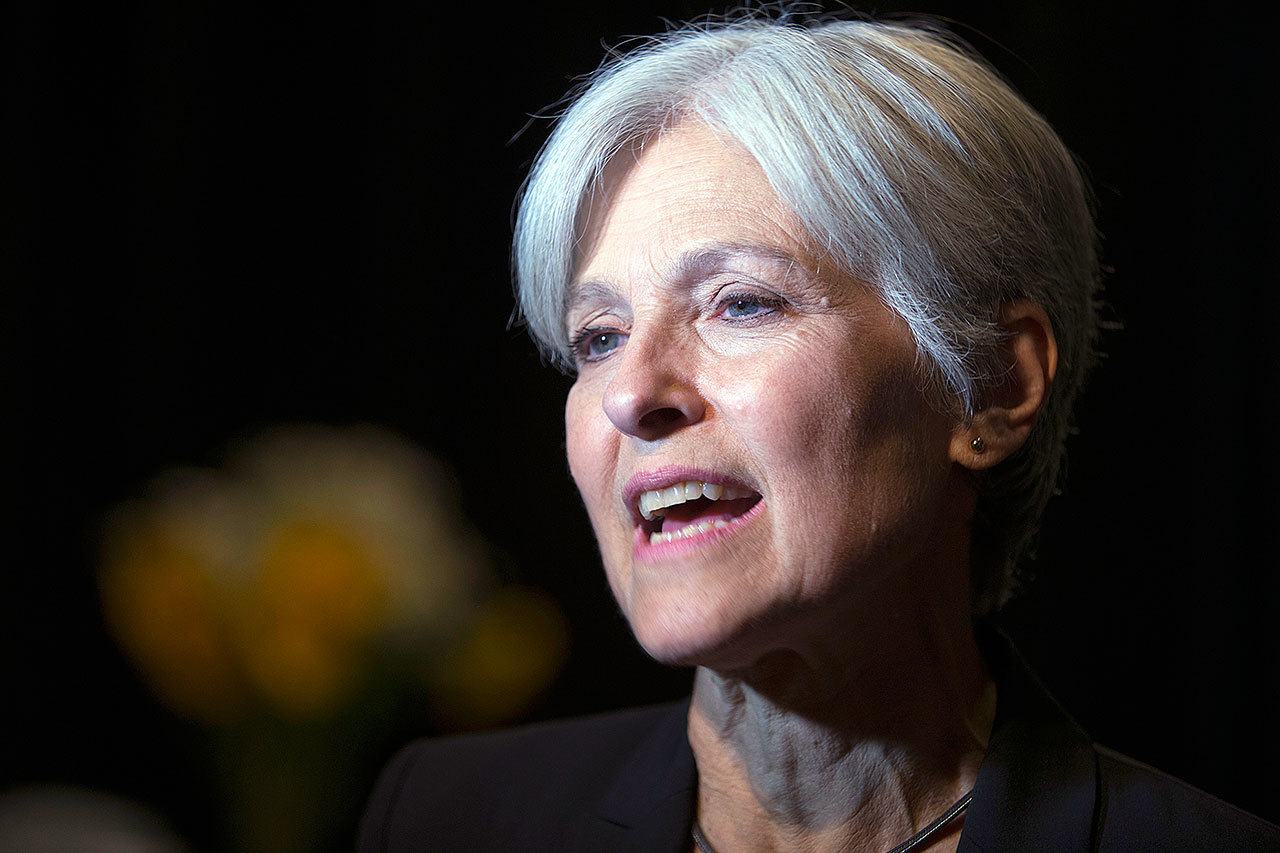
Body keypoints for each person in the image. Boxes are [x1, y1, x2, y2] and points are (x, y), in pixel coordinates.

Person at [358, 12, 1280, 852]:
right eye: (599, 337)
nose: (630, 393)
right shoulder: (446, 819)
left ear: (992, 386)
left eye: (742, 303)